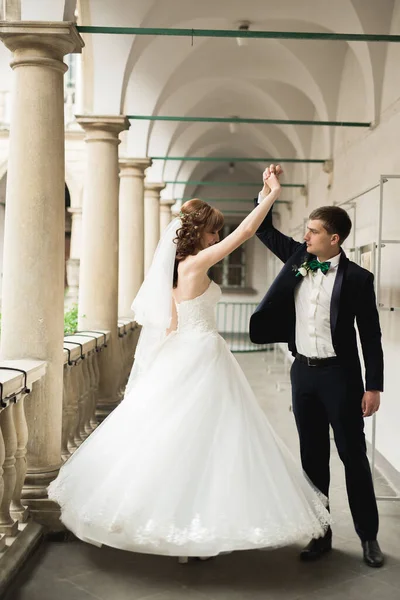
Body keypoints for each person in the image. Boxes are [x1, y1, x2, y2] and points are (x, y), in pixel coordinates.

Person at [48, 166, 331, 560]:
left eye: (218, 231)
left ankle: (186, 529)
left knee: (188, 442)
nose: (217, 236)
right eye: (213, 231)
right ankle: (191, 532)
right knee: (209, 441)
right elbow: (245, 233)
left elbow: (169, 325)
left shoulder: (175, 272)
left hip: (186, 352)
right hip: (204, 355)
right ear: (198, 233)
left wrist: (159, 367)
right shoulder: (196, 265)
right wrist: (270, 195)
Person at [250, 165, 384, 568]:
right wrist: (268, 192)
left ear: (334, 239)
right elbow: (264, 230)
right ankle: (320, 534)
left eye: (313, 231)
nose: (305, 236)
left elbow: (371, 336)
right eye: (305, 230)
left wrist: (373, 386)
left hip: (341, 378)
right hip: (303, 374)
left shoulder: (359, 279)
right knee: (311, 458)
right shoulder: (300, 259)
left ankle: (368, 538)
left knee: (353, 457)